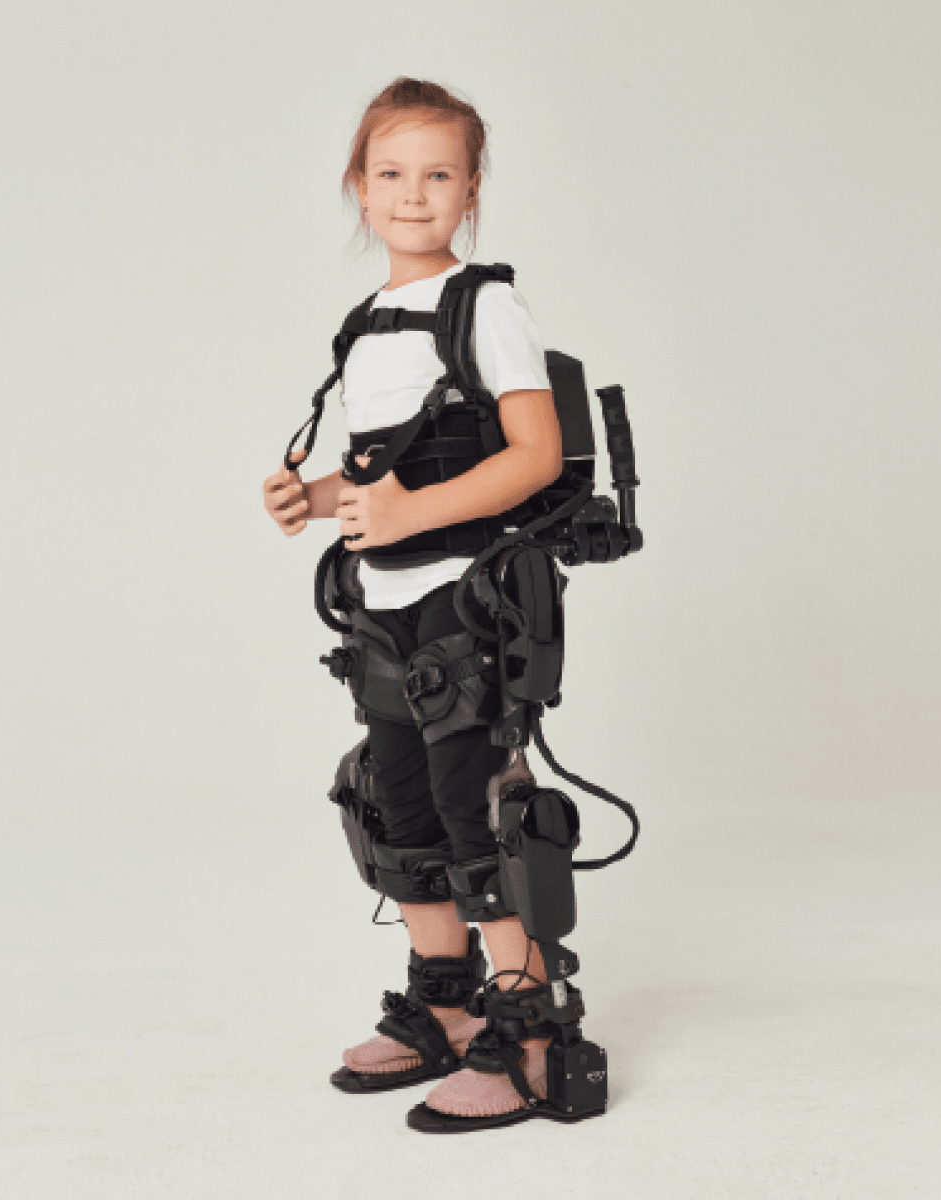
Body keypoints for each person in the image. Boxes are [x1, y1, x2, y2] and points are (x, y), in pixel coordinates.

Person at [262, 78, 565, 1122]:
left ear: (471, 190)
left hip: (464, 595)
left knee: (476, 812)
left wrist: (404, 514)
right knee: (394, 807)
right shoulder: (365, 325)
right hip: (380, 599)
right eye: (391, 173)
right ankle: (446, 1006)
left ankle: (530, 1032)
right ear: (359, 186)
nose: (412, 193)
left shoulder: (486, 306)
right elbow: (386, 470)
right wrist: (316, 498)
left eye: (438, 174)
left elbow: (534, 456)